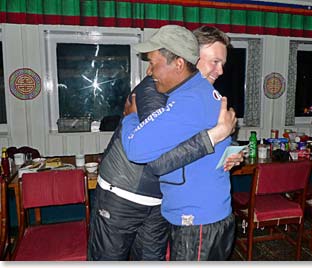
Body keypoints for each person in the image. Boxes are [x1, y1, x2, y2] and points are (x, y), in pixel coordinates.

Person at [88, 26, 241, 260]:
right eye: (214, 62)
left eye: (222, 63)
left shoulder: (199, 94)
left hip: (163, 201)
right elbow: (155, 157)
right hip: (124, 194)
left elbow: (190, 141)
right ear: (188, 58)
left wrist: (229, 150)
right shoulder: (156, 87)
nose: (220, 71)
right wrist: (216, 135)